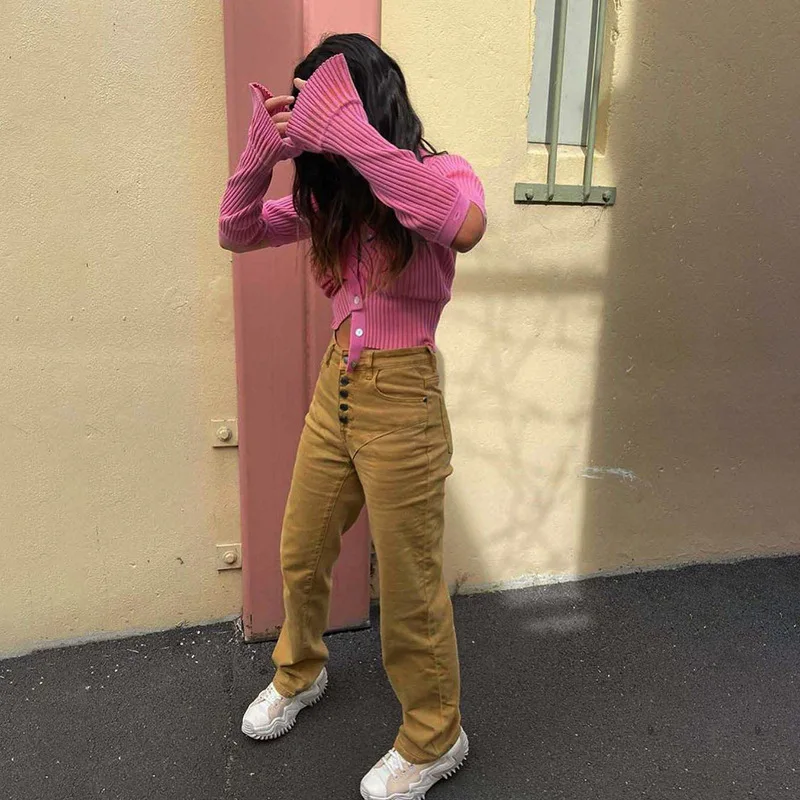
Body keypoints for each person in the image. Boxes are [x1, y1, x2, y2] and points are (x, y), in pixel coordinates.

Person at [218, 33, 486, 800]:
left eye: (324, 104)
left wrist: (354, 138)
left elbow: (463, 225)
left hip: (404, 397)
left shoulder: (438, 174)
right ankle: (300, 672)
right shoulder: (328, 201)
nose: (314, 123)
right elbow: (237, 231)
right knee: (301, 549)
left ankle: (436, 736)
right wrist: (259, 158)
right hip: (338, 387)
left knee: (409, 585)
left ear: (364, 103)